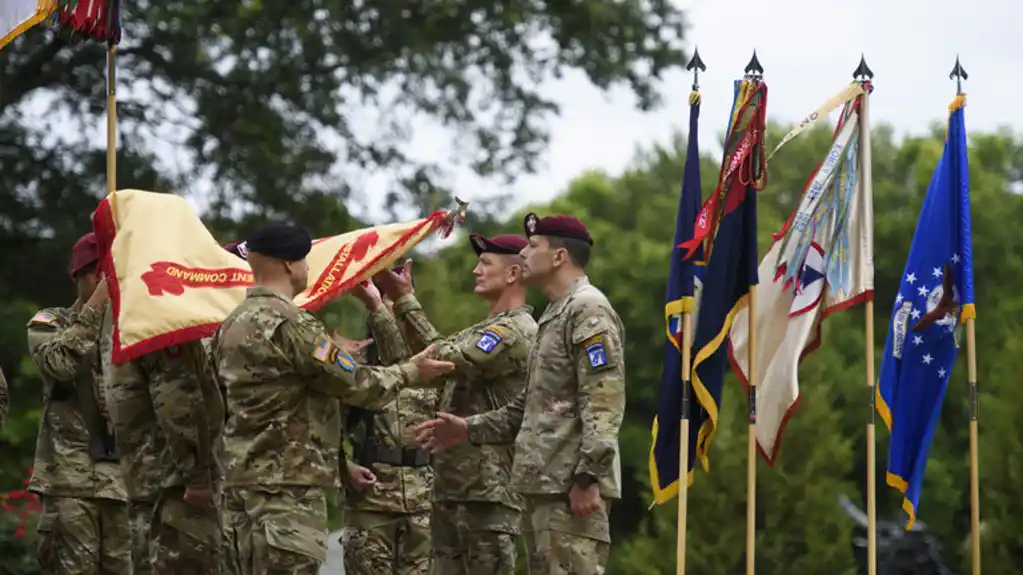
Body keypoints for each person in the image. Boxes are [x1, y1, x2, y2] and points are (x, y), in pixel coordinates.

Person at [213, 222, 455, 575]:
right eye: (306, 261)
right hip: (287, 496)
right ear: (289, 264)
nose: (309, 269)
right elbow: (357, 383)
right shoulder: (291, 324)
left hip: (238, 491)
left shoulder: (229, 325)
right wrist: (412, 369)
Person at [414, 213, 626, 575]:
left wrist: (588, 476)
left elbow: (604, 397)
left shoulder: (587, 308)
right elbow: (529, 406)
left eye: (533, 245)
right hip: (543, 486)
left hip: (568, 488)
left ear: (558, 256)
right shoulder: (554, 314)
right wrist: (468, 428)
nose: (524, 253)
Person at [374, 234, 537, 575]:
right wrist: (383, 305)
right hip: (453, 489)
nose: (476, 270)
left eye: (485, 263)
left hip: (488, 495)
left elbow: (446, 358)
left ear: (513, 274)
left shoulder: (514, 331)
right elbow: (422, 366)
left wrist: (406, 300)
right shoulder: (485, 328)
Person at [102, 263, 225, 572]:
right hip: (178, 491)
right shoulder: (157, 313)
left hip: (146, 487)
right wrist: (197, 477)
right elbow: (177, 402)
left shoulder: (124, 309)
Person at [26, 232, 132, 574]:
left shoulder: (131, 330)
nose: (104, 281)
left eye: (110, 275)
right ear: (79, 275)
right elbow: (59, 364)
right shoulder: (50, 323)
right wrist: (96, 307)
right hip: (69, 483)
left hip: (124, 484)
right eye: (96, 274)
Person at [342, 264, 438, 575]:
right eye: (382, 299)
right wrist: (344, 468)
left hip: (424, 503)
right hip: (371, 504)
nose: (388, 309)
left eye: (394, 299)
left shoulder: (431, 360)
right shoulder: (355, 363)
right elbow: (324, 427)